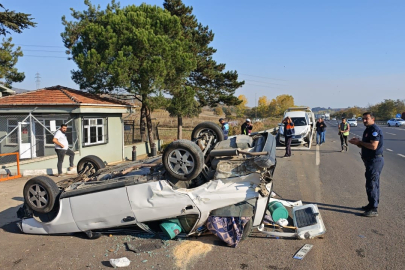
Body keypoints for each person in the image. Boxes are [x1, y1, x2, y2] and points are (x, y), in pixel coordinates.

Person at [348, 112, 384, 217]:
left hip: (375, 161)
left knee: (372, 184)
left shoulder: (374, 130)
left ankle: (374, 208)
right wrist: (358, 143)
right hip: (369, 160)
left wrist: (360, 142)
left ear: (373, 119)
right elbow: (365, 146)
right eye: (363, 119)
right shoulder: (368, 130)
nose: (364, 120)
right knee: (370, 183)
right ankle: (371, 204)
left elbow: (373, 146)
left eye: (366, 119)